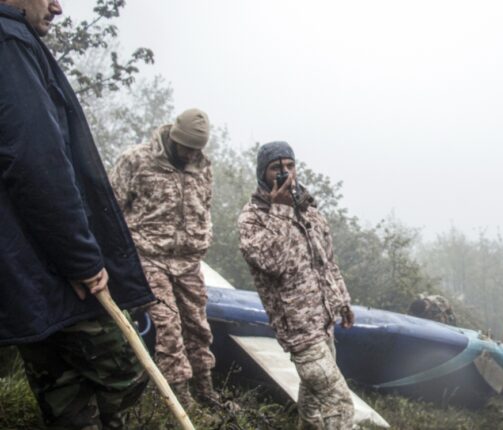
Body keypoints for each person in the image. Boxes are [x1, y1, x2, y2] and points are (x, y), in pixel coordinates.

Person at [0, 1, 155, 428]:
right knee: (124, 374)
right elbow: (36, 161)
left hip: (22, 273)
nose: (58, 7)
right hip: (51, 267)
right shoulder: (10, 41)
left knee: (65, 398)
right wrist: (81, 259)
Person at [238, 141, 355, 429]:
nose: (285, 173)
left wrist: (342, 299)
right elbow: (272, 262)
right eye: (276, 168)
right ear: (262, 173)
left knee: (314, 402)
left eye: (290, 166)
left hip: (323, 320)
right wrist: (280, 209)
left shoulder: (309, 209)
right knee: (339, 404)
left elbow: (326, 261)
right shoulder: (252, 217)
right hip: (298, 328)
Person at [110, 108, 222, 408]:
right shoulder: (137, 160)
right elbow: (110, 208)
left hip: (188, 263)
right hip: (148, 257)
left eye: (197, 148)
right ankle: (180, 400)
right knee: (168, 326)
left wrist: (203, 238)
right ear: (174, 137)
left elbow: (205, 207)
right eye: (186, 146)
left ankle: (206, 392)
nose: (190, 153)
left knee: (198, 328)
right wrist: (117, 258)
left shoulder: (202, 167)